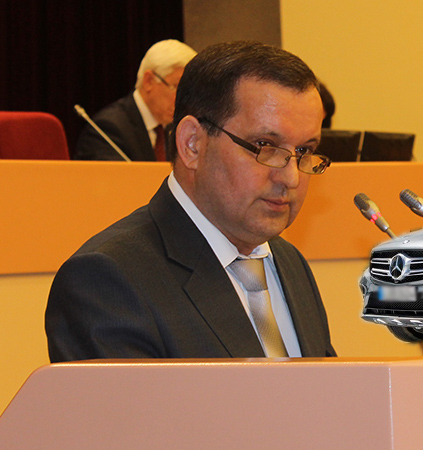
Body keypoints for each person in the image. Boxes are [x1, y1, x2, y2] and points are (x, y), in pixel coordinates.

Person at [46, 41, 336, 361]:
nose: (291, 178)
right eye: (265, 146)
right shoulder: (106, 280)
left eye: (304, 150)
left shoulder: (288, 262)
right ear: (192, 144)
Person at [74, 39, 197, 161]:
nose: (184, 99)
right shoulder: (108, 130)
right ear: (149, 81)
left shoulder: (175, 129)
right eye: (176, 87)